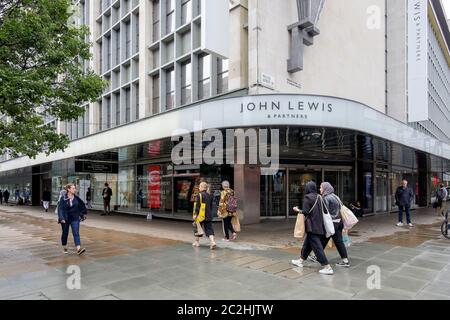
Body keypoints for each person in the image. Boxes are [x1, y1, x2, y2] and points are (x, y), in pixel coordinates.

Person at [291, 181, 334, 275]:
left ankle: (327, 267)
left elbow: (305, 212)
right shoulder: (319, 196)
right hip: (319, 225)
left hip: (312, 227)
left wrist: (297, 210)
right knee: (307, 244)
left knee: (317, 248)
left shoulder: (307, 198)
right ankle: (301, 260)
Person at [320, 182, 351, 267]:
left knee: (323, 239)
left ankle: (318, 256)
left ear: (325, 188)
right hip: (339, 222)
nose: (320, 189)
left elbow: (325, 212)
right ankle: (345, 260)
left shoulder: (326, 198)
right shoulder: (335, 196)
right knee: (338, 242)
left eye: (321, 187)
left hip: (332, 223)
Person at [57, 183, 87, 255]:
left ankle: (78, 249)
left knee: (76, 233)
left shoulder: (76, 198)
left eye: (75, 188)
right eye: (73, 188)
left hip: (75, 218)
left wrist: (82, 214)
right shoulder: (63, 198)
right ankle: (64, 247)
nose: (75, 190)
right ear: (69, 189)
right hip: (65, 218)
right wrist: (61, 218)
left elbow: (82, 206)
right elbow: (60, 209)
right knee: (65, 233)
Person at [192, 182, 216, 249]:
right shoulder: (210, 195)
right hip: (208, 215)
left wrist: (195, 215)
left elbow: (197, 206)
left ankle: (197, 242)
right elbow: (211, 206)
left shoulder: (199, 195)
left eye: (199, 186)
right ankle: (212, 241)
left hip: (200, 215)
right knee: (209, 229)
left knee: (197, 227)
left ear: (202, 187)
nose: (199, 188)